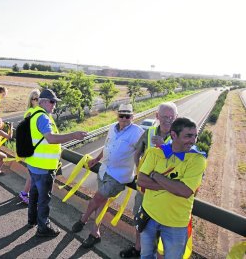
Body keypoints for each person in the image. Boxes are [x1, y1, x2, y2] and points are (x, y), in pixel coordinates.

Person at [71, 104, 144, 248]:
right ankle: (95, 232)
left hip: (118, 176)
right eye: (121, 115)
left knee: (97, 198)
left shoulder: (138, 133)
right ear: (117, 116)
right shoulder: (112, 128)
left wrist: (140, 174)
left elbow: (141, 155)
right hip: (104, 170)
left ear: (132, 117)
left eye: (127, 116)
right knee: (101, 202)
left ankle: (83, 219)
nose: (123, 119)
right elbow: (107, 147)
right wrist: (96, 159)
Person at [137, 117, 206, 259]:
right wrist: (173, 186)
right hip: (149, 215)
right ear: (173, 135)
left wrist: (156, 176)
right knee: (146, 255)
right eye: (188, 136)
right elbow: (141, 181)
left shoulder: (197, 160)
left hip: (176, 223)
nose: (193, 140)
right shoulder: (155, 153)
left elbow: (185, 191)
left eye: (195, 136)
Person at [25, 89, 87, 237]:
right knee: (44, 199)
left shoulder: (34, 114)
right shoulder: (44, 118)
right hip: (44, 167)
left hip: (34, 163)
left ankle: (31, 220)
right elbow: (51, 138)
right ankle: (43, 228)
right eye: (52, 102)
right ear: (44, 101)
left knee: (34, 194)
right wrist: (74, 135)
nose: (55, 105)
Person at [120, 102, 178, 258]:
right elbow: (137, 153)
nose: (168, 120)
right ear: (157, 116)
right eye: (165, 116)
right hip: (144, 189)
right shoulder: (149, 132)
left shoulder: (180, 137)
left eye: (172, 117)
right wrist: (140, 172)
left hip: (163, 192)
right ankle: (138, 249)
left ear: (176, 118)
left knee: (159, 227)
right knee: (140, 220)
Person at [19, 89, 41, 205]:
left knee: (33, 174)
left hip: (36, 148)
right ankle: (24, 193)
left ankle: (27, 193)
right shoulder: (30, 112)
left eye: (38, 98)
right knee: (32, 175)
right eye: (34, 99)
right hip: (32, 148)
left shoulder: (38, 111)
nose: (36, 101)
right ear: (31, 100)